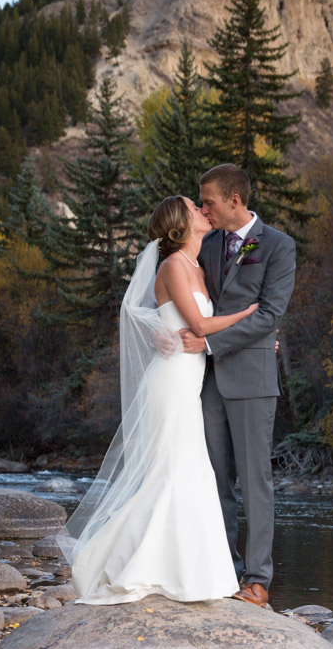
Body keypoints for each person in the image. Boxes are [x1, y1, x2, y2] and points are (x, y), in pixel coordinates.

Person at [59, 195, 258, 605]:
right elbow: (200, 324)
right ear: (180, 225)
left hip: (191, 381)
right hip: (170, 382)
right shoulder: (172, 266)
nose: (203, 210)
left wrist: (257, 338)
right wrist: (250, 317)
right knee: (170, 472)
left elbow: (184, 325)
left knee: (189, 472)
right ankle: (135, 565)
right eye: (193, 206)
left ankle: (189, 572)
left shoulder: (197, 265)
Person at [178, 164, 297, 609]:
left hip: (250, 379)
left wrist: (208, 343)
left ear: (234, 200)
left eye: (207, 200)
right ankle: (222, 571)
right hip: (206, 383)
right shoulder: (206, 245)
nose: (203, 207)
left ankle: (257, 580)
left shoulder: (279, 246)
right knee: (215, 481)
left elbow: (269, 314)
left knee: (255, 481)